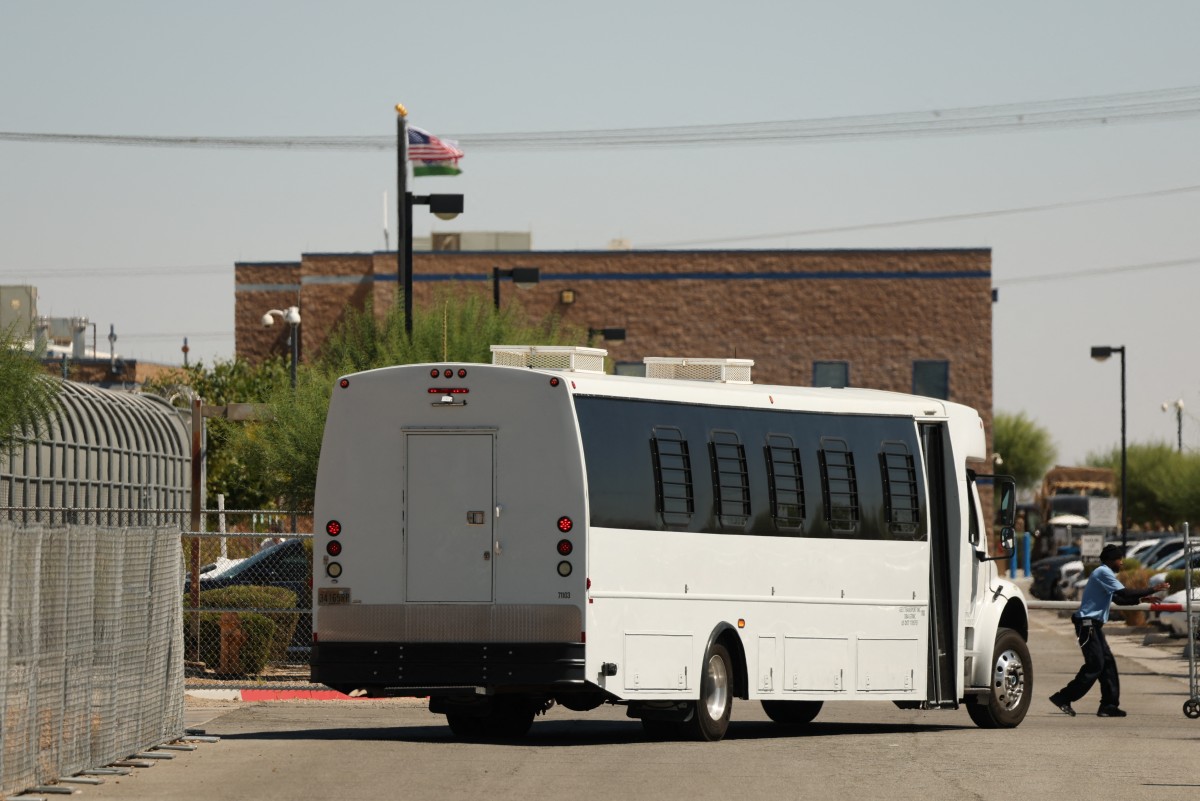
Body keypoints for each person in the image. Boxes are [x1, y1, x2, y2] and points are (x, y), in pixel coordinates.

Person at [1049, 544, 1170, 717]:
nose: (1121, 563)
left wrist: (1142, 598)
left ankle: (1108, 705)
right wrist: (1153, 588)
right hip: (1086, 624)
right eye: (1119, 559)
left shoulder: (1105, 575)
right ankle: (1063, 697)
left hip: (1094, 625)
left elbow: (1120, 600)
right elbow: (1126, 593)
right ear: (1110, 560)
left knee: (1108, 664)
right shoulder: (1102, 572)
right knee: (1095, 664)